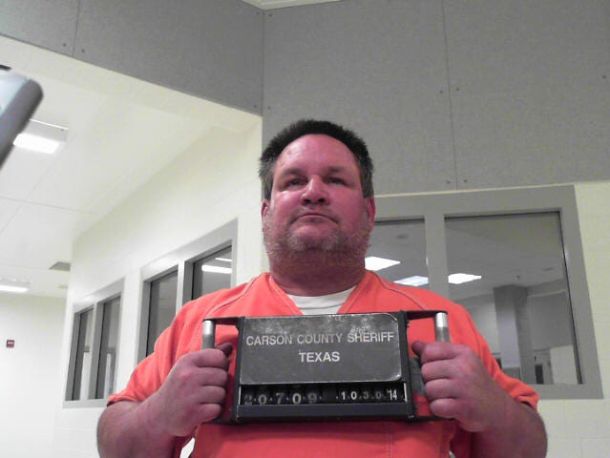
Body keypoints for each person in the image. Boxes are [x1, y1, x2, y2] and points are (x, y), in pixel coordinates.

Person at [97, 120, 547, 458]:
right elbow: (116, 444)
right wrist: (160, 413)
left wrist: (494, 409)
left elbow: (529, 449)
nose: (313, 192)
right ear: (266, 212)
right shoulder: (200, 321)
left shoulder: (442, 322)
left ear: (369, 211)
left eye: (335, 179)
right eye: (293, 181)